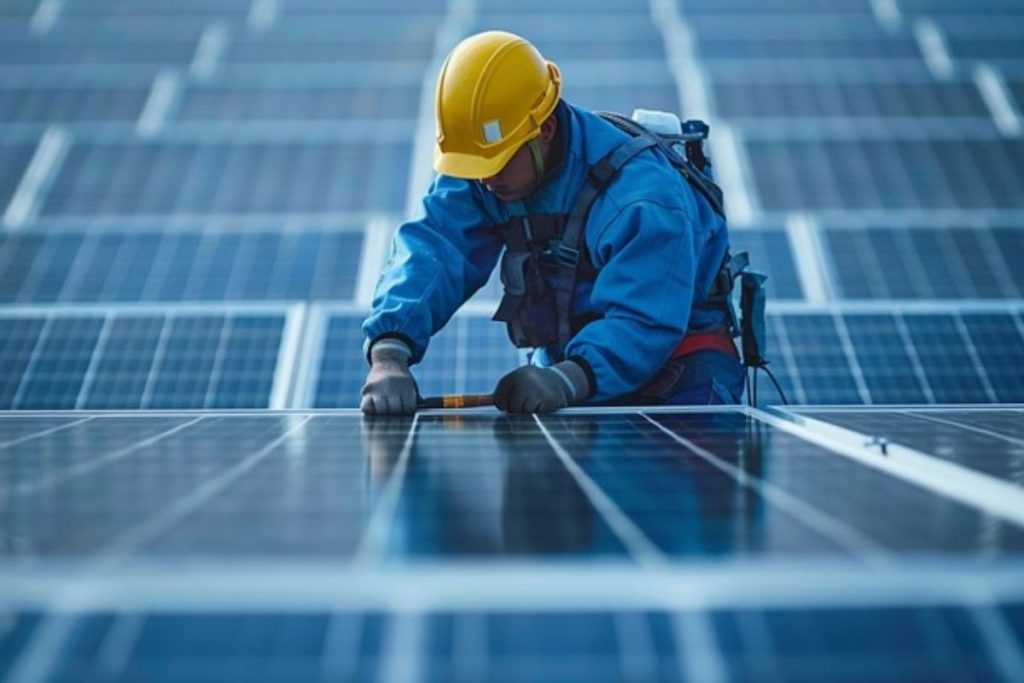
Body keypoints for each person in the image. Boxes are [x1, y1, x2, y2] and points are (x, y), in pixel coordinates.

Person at [360, 30, 746, 415]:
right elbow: (436, 247)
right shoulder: (487, 165)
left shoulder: (641, 200)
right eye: (475, 166)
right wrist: (390, 350)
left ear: (544, 130)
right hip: (571, 365)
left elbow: (645, 320)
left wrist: (567, 379)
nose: (485, 179)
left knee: (644, 473)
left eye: (496, 163)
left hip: (679, 369)